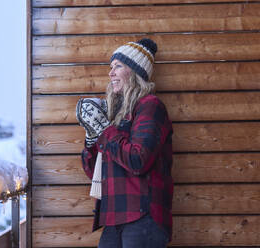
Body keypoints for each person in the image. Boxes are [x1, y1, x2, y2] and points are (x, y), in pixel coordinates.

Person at [80, 38, 173, 248]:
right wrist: (91, 139)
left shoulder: (150, 107)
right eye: (111, 67)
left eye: (118, 66)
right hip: (113, 217)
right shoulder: (115, 115)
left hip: (143, 216)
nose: (110, 73)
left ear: (135, 72)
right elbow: (93, 170)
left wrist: (105, 131)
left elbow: (138, 160)